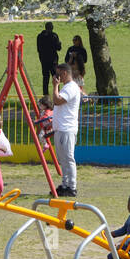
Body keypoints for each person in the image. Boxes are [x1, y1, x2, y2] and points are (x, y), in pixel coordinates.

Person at [52, 63, 81, 197]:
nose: (57, 77)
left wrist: (55, 86)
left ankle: (72, 186)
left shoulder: (71, 88)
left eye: (58, 74)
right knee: (62, 159)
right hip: (61, 128)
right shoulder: (66, 87)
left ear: (64, 73)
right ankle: (65, 184)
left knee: (68, 158)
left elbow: (57, 101)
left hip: (67, 128)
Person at [36, 22, 62, 96]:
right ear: (51, 27)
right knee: (56, 76)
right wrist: (59, 43)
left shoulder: (39, 36)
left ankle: (45, 94)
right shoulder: (54, 36)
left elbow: (38, 49)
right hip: (53, 59)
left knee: (45, 77)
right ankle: (57, 93)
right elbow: (58, 48)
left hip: (43, 59)